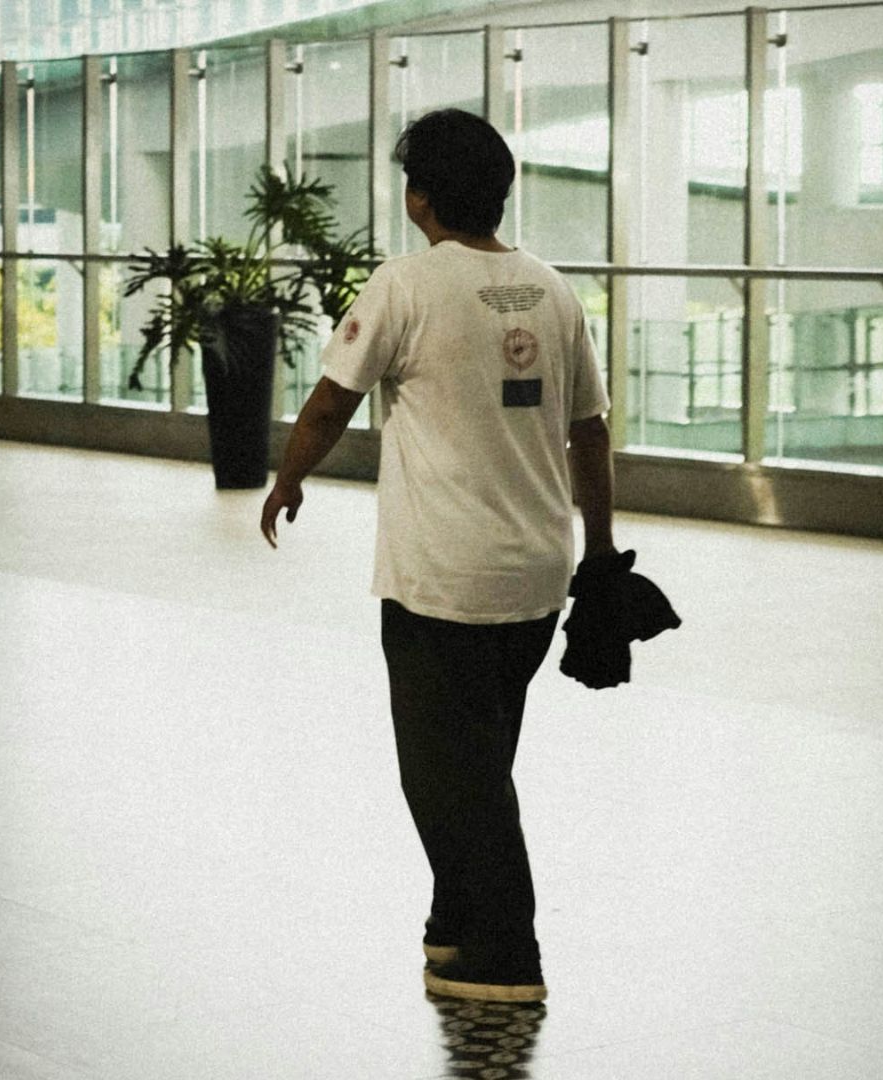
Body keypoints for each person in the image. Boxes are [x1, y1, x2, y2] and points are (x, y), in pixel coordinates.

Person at [259, 108, 615, 1004]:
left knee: (444, 776)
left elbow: (332, 403)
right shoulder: (551, 289)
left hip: (441, 580)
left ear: (419, 199)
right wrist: (600, 550)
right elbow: (591, 433)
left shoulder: (406, 285)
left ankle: (507, 956)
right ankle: (453, 929)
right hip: (539, 576)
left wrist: (287, 477)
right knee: (480, 763)